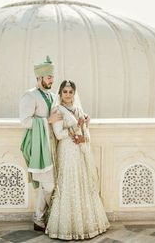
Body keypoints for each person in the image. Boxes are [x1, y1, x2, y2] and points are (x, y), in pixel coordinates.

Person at [46, 80, 110, 240]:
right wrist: (76, 128)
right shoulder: (58, 110)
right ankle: (66, 228)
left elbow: (85, 131)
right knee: (69, 184)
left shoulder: (78, 109)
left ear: (74, 93)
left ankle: (87, 225)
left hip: (79, 151)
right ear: (60, 94)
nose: (68, 94)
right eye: (65, 92)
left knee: (82, 183)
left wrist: (83, 137)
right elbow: (59, 134)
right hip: (67, 151)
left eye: (71, 92)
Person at [19, 56, 63, 232]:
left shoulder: (53, 96)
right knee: (48, 184)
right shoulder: (30, 96)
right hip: (39, 146)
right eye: (48, 77)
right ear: (39, 78)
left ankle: (41, 218)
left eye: (52, 76)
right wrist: (47, 121)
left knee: (51, 183)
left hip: (53, 144)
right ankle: (38, 216)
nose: (51, 79)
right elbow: (25, 121)